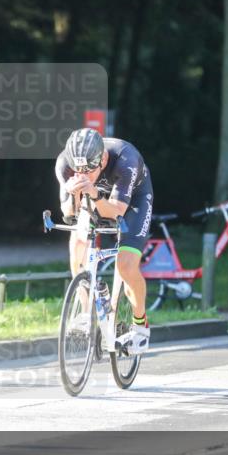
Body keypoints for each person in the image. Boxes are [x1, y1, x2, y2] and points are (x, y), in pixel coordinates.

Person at [55, 128, 153, 353]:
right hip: (96, 194)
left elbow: (116, 212)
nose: (83, 174)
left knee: (126, 266)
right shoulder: (65, 164)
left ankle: (140, 325)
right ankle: (85, 312)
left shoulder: (126, 159)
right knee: (78, 243)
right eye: (79, 170)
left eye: (89, 170)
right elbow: (68, 213)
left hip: (133, 199)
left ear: (104, 160)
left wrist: (93, 193)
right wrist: (74, 194)